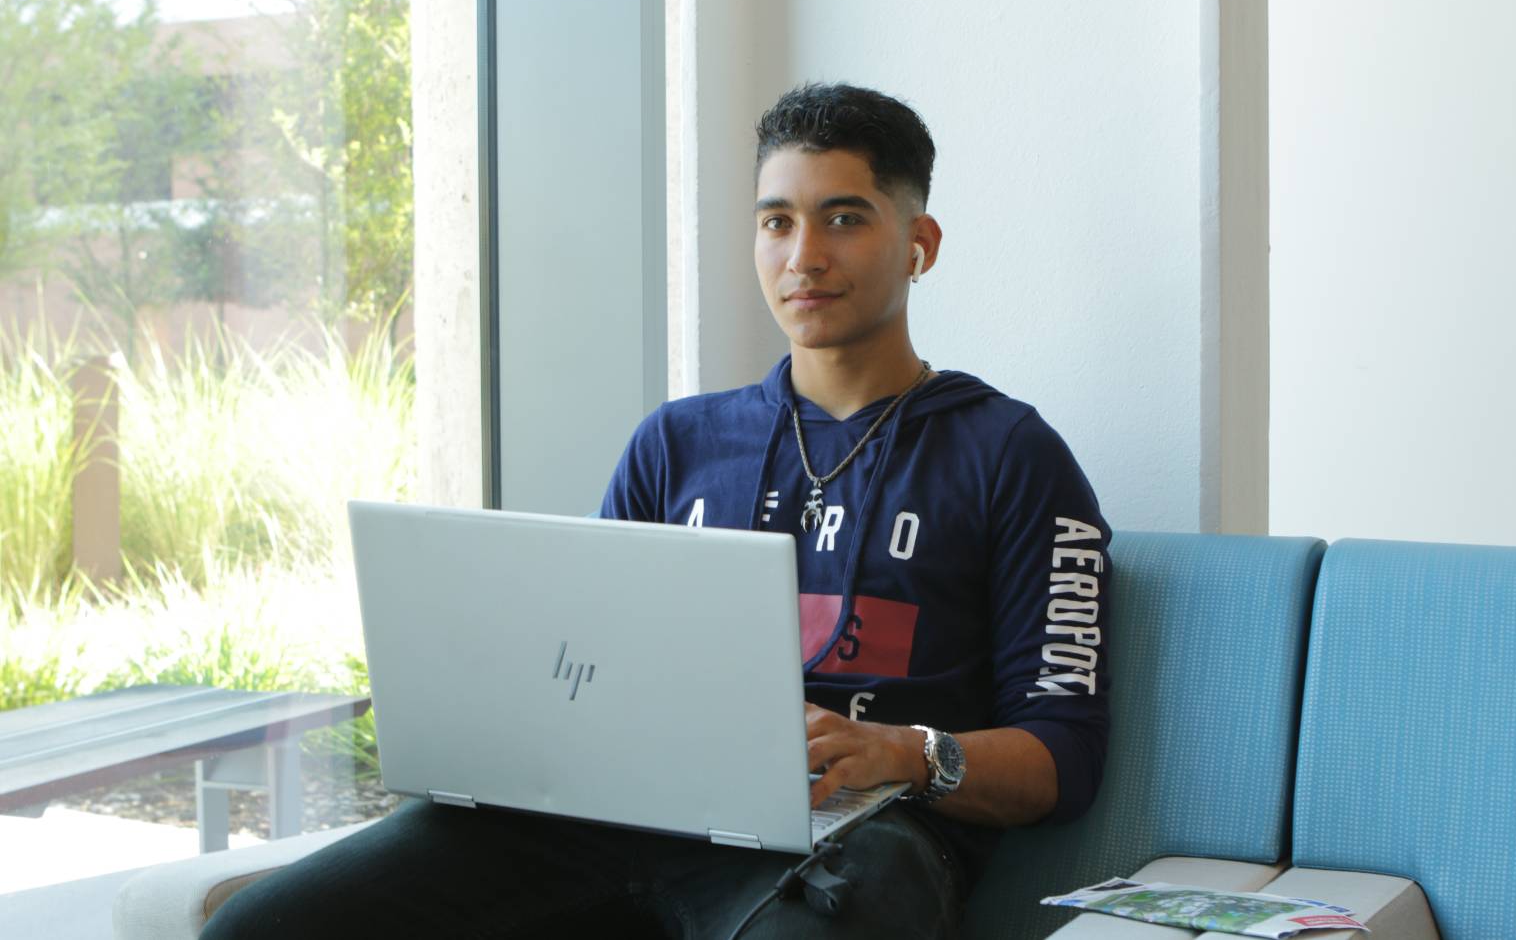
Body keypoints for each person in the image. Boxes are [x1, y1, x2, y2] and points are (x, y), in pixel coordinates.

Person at [201, 82, 1111, 939]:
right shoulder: (674, 444)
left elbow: (1062, 757)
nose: (805, 256)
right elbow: (586, 679)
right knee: (258, 926)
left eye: (845, 218)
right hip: (624, 822)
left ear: (920, 242)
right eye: (776, 222)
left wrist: (903, 750)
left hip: (861, 842)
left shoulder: (1011, 455)